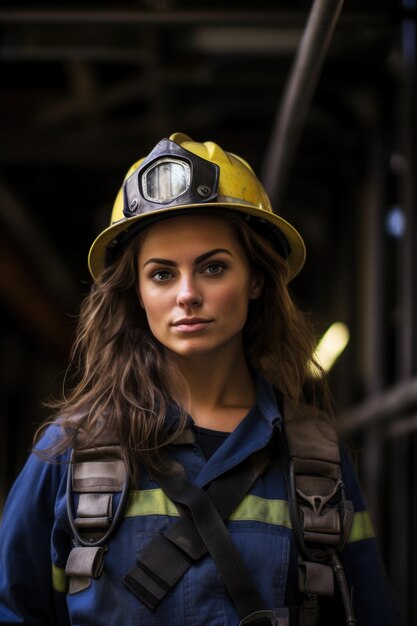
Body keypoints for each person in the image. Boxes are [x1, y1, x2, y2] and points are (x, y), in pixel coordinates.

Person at [0, 133, 403, 626]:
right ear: (136, 293)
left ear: (256, 279)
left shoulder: (316, 459)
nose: (187, 294)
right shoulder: (73, 450)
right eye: (162, 274)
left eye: (213, 267)